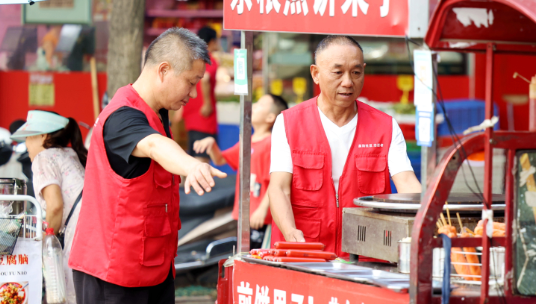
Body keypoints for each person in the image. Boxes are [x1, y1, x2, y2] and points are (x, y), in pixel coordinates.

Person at [60, 28, 226, 304]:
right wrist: (188, 165)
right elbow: (152, 146)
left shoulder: (157, 111)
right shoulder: (123, 117)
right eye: (190, 81)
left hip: (154, 266)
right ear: (164, 70)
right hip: (113, 269)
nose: (193, 93)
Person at [268, 35, 421, 256]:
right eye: (338, 72)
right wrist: (291, 233)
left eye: (356, 72)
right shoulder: (289, 123)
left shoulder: (385, 126)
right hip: (305, 252)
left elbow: (407, 183)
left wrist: (432, 217)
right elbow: (279, 188)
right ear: (316, 74)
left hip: (367, 254)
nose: (348, 82)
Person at [11, 111, 87, 304]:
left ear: (43, 137)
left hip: (74, 236)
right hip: (90, 233)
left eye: (29, 137)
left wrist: (44, 238)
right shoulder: (70, 154)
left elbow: (54, 205)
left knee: (59, 303)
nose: (27, 144)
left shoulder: (44, 159)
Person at [193, 93, 289, 247]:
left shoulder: (270, 143)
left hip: (261, 218)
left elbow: (275, 182)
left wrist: (262, 210)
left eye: (260, 105)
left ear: (271, 118)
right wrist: (212, 144)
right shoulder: (247, 141)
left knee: (258, 258)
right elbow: (220, 160)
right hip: (244, 214)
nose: (254, 106)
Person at [178, 25, 220, 160]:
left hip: (189, 113)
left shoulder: (192, 59)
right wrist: (207, 103)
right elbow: (206, 78)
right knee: (201, 159)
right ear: (212, 42)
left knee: (187, 158)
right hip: (203, 117)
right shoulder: (208, 59)